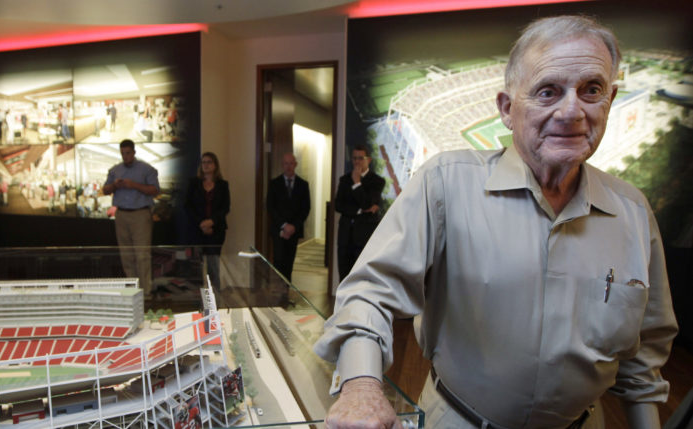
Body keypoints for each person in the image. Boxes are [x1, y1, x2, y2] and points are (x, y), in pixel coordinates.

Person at [315, 15, 677, 429]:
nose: (572, 110)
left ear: (610, 99)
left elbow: (643, 362)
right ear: (507, 109)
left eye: (591, 90)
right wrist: (361, 387)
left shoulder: (632, 212)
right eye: (548, 91)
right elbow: (369, 292)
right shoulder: (444, 182)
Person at [103, 139, 159, 293]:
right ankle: (133, 290)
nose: (125, 156)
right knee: (126, 255)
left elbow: (155, 190)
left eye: (128, 153)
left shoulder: (146, 169)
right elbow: (105, 189)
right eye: (122, 153)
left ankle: (146, 291)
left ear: (134, 152)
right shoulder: (115, 170)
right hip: (121, 214)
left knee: (142, 255)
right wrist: (115, 185)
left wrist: (133, 185)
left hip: (140, 214)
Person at [334, 143, 385, 281]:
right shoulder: (344, 180)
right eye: (354, 158)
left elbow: (367, 203)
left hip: (364, 237)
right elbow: (338, 205)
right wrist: (359, 210)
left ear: (368, 160)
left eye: (360, 158)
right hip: (345, 237)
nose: (357, 161)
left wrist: (357, 183)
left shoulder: (377, 181)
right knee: (344, 277)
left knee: (361, 278)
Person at [184, 152, 230, 289]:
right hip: (196, 230)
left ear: (215, 165)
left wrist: (211, 222)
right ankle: (197, 299)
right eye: (203, 162)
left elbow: (225, 208)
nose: (206, 165)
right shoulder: (193, 183)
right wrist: (202, 223)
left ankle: (214, 298)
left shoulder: (223, 185)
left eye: (209, 162)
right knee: (196, 266)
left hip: (216, 231)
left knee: (213, 266)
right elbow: (187, 206)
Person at [266, 153, 310, 281]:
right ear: (282, 165)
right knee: (278, 261)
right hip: (278, 229)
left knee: (289, 263)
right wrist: (284, 226)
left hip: (294, 231)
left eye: (291, 163)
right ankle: (277, 294)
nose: (288, 166)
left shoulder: (303, 184)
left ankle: (285, 294)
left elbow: (305, 209)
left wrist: (293, 226)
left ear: (295, 165)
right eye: (286, 163)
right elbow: (270, 207)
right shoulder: (274, 183)